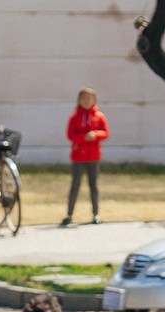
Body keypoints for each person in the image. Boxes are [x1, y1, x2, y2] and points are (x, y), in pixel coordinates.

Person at [62, 87, 108, 225]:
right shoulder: (74, 117)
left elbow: (105, 133)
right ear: (79, 100)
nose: (86, 101)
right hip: (78, 157)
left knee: (93, 185)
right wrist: (83, 137)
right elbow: (70, 135)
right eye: (83, 98)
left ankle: (96, 213)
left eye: (89, 98)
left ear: (94, 100)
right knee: (75, 185)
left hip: (93, 156)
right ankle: (69, 214)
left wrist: (96, 135)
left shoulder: (99, 116)